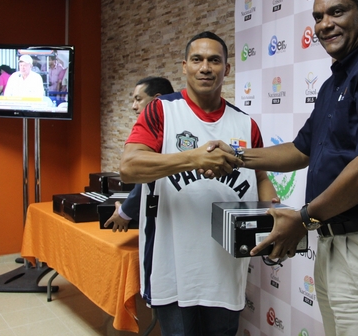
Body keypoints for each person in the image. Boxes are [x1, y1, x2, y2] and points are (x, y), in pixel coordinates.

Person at [208, 0, 358, 336]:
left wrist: (303, 219)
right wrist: (236, 156)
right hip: (337, 241)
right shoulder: (335, 82)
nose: (325, 24)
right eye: (318, 17)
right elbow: (300, 150)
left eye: (337, 12)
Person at [119, 31, 277, 336]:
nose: (205, 67)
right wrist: (193, 158)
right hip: (173, 268)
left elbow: (261, 177)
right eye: (197, 59)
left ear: (226, 69)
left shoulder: (246, 124)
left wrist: (272, 217)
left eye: (214, 60)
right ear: (184, 66)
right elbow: (129, 167)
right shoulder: (161, 111)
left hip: (226, 270)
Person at [104, 76, 175, 232]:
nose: (134, 107)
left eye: (138, 99)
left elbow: (151, 176)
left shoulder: (165, 132)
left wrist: (124, 212)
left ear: (156, 100)